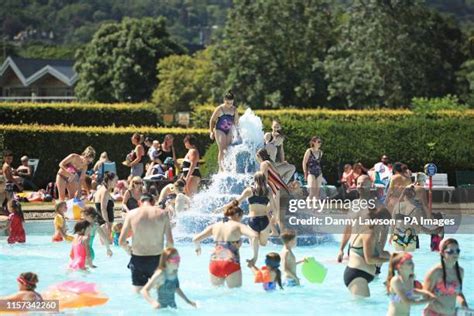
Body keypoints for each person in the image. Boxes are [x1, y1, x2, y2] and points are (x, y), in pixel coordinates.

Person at [193, 203, 258, 288]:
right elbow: (255, 236)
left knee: (217, 296)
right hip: (231, 263)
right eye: (240, 218)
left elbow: (195, 239)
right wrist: (255, 257)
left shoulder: (214, 226)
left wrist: (198, 248)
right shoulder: (238, 225)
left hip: (214, 263)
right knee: (235, 295)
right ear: (237, 215)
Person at [119, 194, 174, 293]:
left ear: (139, 202)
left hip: (138, 259)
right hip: (157, 259)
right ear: (153, 202)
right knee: (161, 294)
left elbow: (121, 241)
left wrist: (129, 251)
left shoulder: (131, 214)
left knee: (139, 295)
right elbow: (170, 242)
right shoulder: (163, 214)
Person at [344, 207, 391, 297]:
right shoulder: (369, 234)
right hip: (357, 276)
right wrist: (390, 259)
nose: (385, 228)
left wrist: (395, 257)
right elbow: (369, 259)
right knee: (363, 307)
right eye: (386, 224)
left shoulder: (372, 233)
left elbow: (380, 253)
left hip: (360, 276)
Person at [226, 172, 277, 246]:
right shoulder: (268, 191)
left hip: (253, 220)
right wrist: (274, 217)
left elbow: (237, 201)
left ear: (254, 179)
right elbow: (273, 206)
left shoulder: (250, 190)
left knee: (254, 246)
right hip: (264, 221)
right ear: (265, 180)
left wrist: (224, 207)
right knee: (263, 245)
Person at [423, 238, 469, 315]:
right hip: (434, 313)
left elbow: (458, 293)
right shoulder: (435, 272)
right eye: (450, 252)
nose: (455, 254)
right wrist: (440, 307)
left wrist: (464, 304)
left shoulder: (460, 272)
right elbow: (425, 295)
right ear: (442, 253)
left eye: (457, 251)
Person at [209, 91, 240, 172]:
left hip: (229, 130)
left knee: (228, 148)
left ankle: (227, 166)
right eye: (227, 103)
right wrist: (211, 131)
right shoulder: (220, 109)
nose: (229, 105)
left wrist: (238, 133)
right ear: (224, 100)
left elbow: (236, 122)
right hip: (219, 130)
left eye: (231, 103)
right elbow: (212, 120)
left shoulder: (234, 110)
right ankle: (221, 168)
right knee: (222, 149)